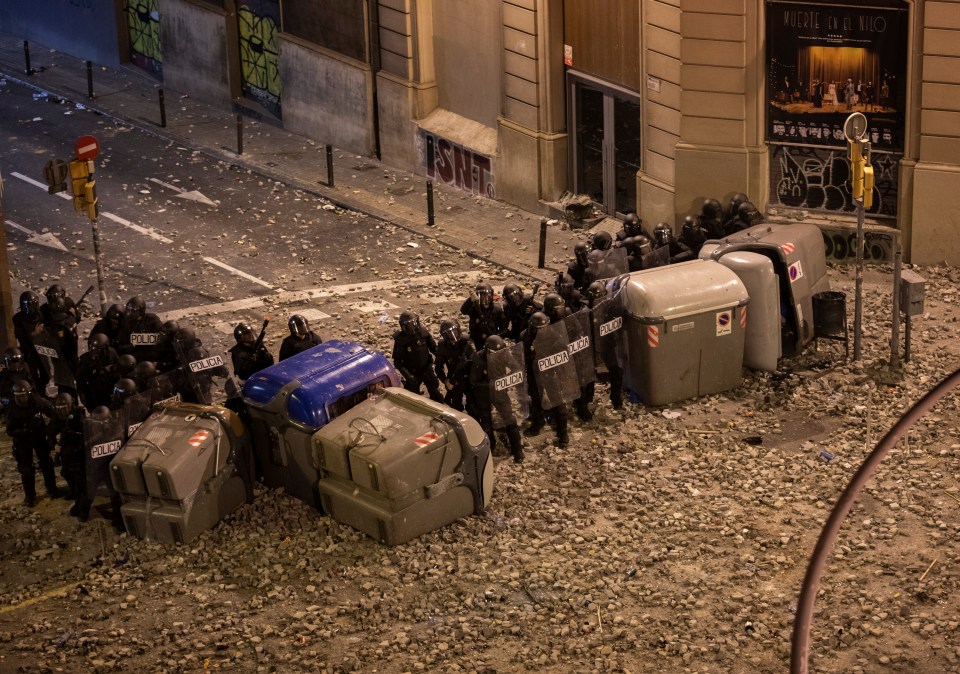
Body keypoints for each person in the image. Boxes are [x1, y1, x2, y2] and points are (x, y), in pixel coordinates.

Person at [469, 335, 524, 463]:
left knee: (510, 418)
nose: (498, 354)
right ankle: (490, 448)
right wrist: (490, 384)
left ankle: (517, 449)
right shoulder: (478, 358)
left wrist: (508, 379)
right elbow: (473, 381)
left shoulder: (503, 353)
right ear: (488, 350)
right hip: (484, 394)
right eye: (495, 353)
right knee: (486, 422)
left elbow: (516, 367)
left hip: (500, 391)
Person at [521, 312, 569, 448]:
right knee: (536, 401)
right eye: (539, 328)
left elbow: (563, 352)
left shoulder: (553, 335)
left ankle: (563, 435)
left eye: (543, 328)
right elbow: (522, 356)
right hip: (533, 374)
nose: (541, 331)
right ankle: (538, 423)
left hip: (550, 374)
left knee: (558, 403)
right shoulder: (526, 336)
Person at [6, 380, 58, 506]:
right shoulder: (12, 408)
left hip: (38, 436)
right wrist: (24, 430)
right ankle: (30, 496)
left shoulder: (37, 402)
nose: (22, 398)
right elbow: (10, 430)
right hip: (22, 441)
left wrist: (50, 430)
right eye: (18, 396)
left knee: (46, 463)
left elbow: (54, 413)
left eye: (23, 395)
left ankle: (52, 489)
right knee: (26, 470)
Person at [48, 392, 88, 517]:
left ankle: (82, 509)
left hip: (79, 452)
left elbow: (87, 435)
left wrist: (73, 436)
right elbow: (50, 432)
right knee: (66, 473)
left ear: (71, 405)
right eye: (59, 409)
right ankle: (74, 492)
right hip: (65, 452)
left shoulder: (79, 414)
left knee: (81, 482)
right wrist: (54, 445)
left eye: (64, 408)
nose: (62, 412)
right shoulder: (56, 416)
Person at [586, 281, 624, 410]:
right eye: (597, 298)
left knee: (616, 372)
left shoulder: (610, 306)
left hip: (606, 344)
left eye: (602, 296)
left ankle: (616, 399)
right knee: (588, 378)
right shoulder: (584, 309)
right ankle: (586, 403)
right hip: (590, 348)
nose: (600, 300)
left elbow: (619, 319)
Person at [392, 311, 444, 402]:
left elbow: (433, 348)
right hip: (412, 371)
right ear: (403, 326)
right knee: (413, 399)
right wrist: (408, 375)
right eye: (409, 325)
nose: (412, 327)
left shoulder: (423, 332)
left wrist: (441, 359)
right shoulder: (401, 338)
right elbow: (397, 361)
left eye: (413, 323)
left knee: (436, 394)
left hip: (426, 368)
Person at [433, 319, 475, 412]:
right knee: (456, 408)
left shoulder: (466, 341)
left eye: (454, 331)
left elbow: (475, 361)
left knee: (473, 407)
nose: (452, 336)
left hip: (469, 378)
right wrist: (445, 381)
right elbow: (438, 367)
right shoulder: (442, 345)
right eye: (448, 334)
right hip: (454, 379)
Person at [40, 284, 80, 372]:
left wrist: (73, 316)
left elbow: (77, 318)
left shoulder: (68, 302)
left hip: (69, 338)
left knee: (73, 361)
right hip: (55, 340)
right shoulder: (44, 309)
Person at [75, 333, 119, 412]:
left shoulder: (112, 354)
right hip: (95, 395)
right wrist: (84, 398)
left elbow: (118, 370)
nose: (94, 352)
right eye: (92, 348)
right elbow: (80, 381)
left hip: (110, 393)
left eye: (97, 350)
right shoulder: (85, 360)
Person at [13, 290, 49, 386]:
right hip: (29, 352)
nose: (31, 307)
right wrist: (34, 333)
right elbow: (21, 337)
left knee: (46, 373)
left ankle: (43, 388)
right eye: (28, 305)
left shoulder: (40, 315)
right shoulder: (19, 320)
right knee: (32, 376)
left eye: (33, 304)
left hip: (41, 349)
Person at [460, 282, 507, 351]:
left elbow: (503, 325)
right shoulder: (474, 308)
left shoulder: (497, 309)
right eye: (481, 297)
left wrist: (498, 337)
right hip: (478, 339)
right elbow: (463, 310)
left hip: (493, 338)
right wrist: (470, 299)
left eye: (487, 296)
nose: (485, 300)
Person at [117, 296, 163, 362]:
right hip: (136, 357)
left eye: (133, 310)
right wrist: (132, 345)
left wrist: (141, 339)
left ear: (141, 311)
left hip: (153, 355)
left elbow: (162, 336)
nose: (129, 313)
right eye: (128, 309)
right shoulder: (126, 323)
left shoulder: (152, 319)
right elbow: (120, 346)